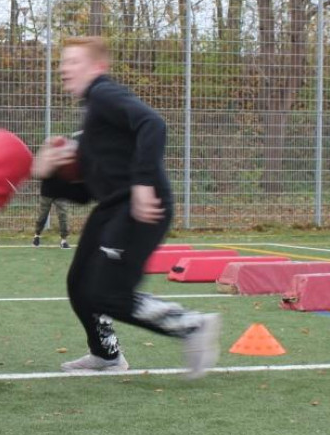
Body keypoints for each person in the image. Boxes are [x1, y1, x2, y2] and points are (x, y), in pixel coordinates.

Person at [30, 36, 220, 377]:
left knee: (109, 293)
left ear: (98, 67)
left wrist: (144, 182)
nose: (64, 69)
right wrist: (48, 173)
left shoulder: (104, 93)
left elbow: (153, 123)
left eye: (74, 62)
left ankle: (191, 326)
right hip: (112, 207)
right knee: (79, 283)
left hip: (140, 206)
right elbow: (84, 193)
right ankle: (106, 355)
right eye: (63, 62)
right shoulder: (93, 120)